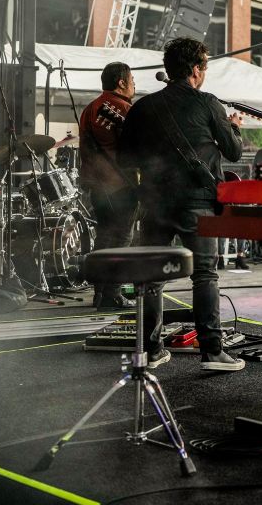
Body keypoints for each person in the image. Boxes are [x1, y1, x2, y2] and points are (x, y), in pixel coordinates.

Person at [118, 37, 246, 372]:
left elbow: (125, 159)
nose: (204, 72)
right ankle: (213, 352)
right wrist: (234, 128)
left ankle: (151, 350)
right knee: (204, 273)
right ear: (194, 69)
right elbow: (233, 152)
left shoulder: (143, 108)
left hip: (155, 203)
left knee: (151, 277)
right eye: (204, 66)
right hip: (197, 202)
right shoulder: (207, 103)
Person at [78, 62, 138, 310]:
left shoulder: (89, 109)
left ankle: (100, 292)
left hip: (97, 186)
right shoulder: (124, 108)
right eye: (132, 79)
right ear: (121, 82)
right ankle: (113, 292)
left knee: (103, 238)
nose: (135, 84)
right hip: (121, 186)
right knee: (122, 238)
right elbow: (133, 150)